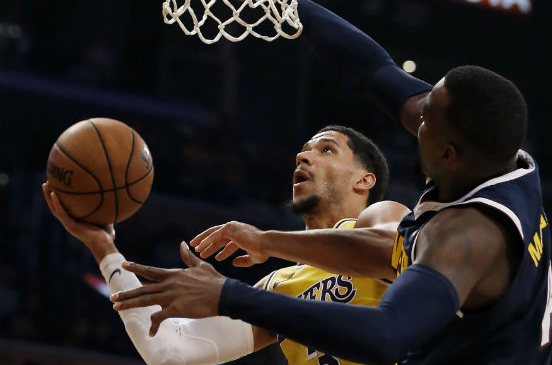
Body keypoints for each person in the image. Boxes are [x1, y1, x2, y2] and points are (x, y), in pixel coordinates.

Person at [110, 0, 552, 365]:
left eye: (424, 121)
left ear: (449, 154)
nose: (413, 115)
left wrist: (230, 294)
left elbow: (386, 334)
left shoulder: (465, 237)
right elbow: (372, 71)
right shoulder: (497, 158)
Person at [43, 125, 410, 365]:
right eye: (303, 150)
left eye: (327, 150)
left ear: (364, 180)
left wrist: (265, 241)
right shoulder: (279, 287)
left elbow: (383, 251)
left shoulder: (382, 214)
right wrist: (105, 250)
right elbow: (170, 352)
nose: (303, 156)